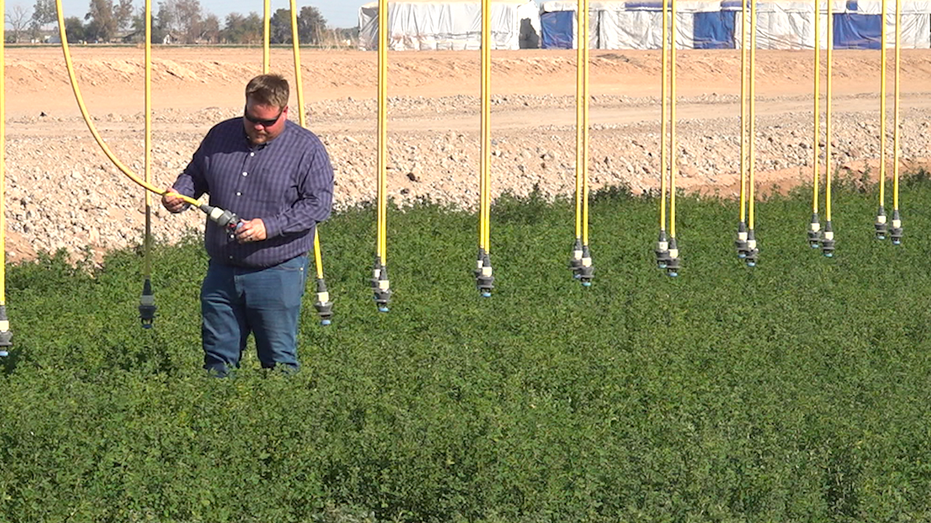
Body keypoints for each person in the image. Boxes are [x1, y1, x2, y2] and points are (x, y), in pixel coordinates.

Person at [162, 74, 334, 376]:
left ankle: (278, 417)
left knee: (278, 361)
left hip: (277, 271)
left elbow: (317, 205)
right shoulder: (220, 135)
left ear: (285, 112)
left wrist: (269, 227)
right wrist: (180, 194)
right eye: (252, 118)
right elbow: (195, 174)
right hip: (222, 270)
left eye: (267, 122)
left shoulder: (307, 149)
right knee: (218, 360)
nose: (258, 127)